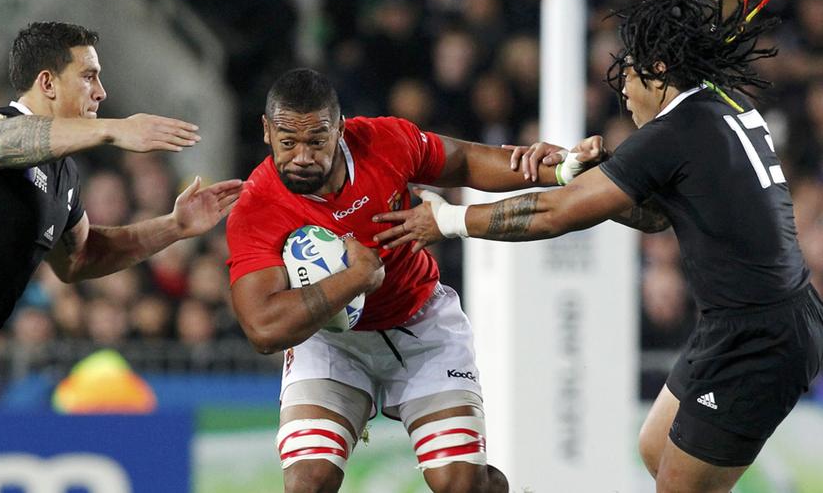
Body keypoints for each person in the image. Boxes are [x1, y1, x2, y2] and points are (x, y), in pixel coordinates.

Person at [374, 0, 823, 493]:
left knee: (680, 487)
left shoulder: (674, 132)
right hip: (749, 320)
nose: (623, 91)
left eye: (628, 74)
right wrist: (603, 173)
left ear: (658, 69)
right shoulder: (724, 105)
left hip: (758, 337)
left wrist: (448, 219)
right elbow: (657, 216)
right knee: (656, 446)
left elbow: (552, 214)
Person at [0, 21, 243, 492]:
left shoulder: (65, 177)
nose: (101, 91)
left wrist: (174, 227)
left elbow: (82, 257)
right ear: (47, 83)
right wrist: (115, 130)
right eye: (89, 76)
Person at [225, 68, 602, 493]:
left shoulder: (383, 142)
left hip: (420, 324)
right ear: (267, 131)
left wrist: (560, 172)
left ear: (340, 129)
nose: (302, 157)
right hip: (330, 343)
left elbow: (463, 161)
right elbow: (263, 329)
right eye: (288, 142)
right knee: (308, 483)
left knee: (459, 484)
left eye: (316, 141)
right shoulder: (256, 208)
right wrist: (357, 277)